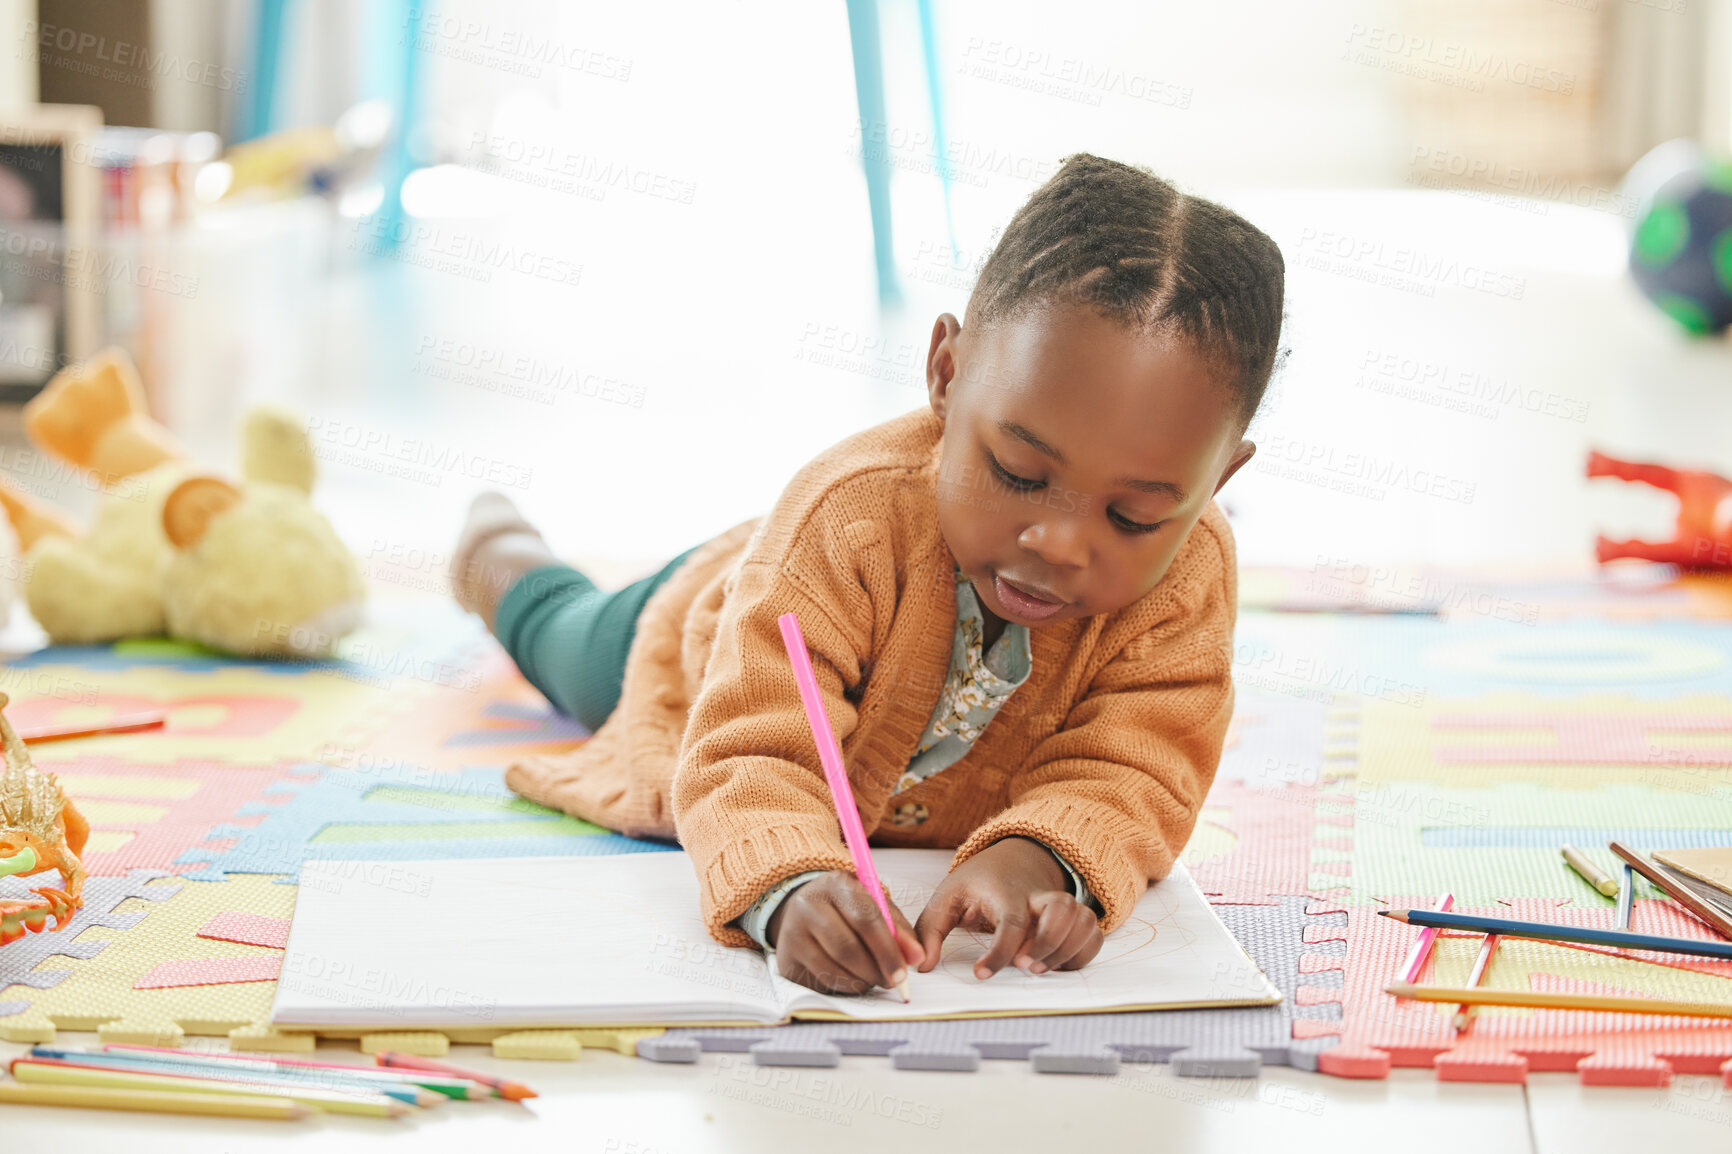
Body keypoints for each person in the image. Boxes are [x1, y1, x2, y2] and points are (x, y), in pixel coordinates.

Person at [449, 153, 1286, 997]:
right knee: (559, 636)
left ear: (1215, 482)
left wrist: (1037, 858)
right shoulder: (847, 522)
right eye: (1020, 473)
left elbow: (1140, 763)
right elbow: (751, 744)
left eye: (1132, 518)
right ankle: (496, 550)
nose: (1060, 543)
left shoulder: (1191, 575)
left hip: (806, 577)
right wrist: (789, 888)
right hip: (697, 636)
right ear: (947, 376)